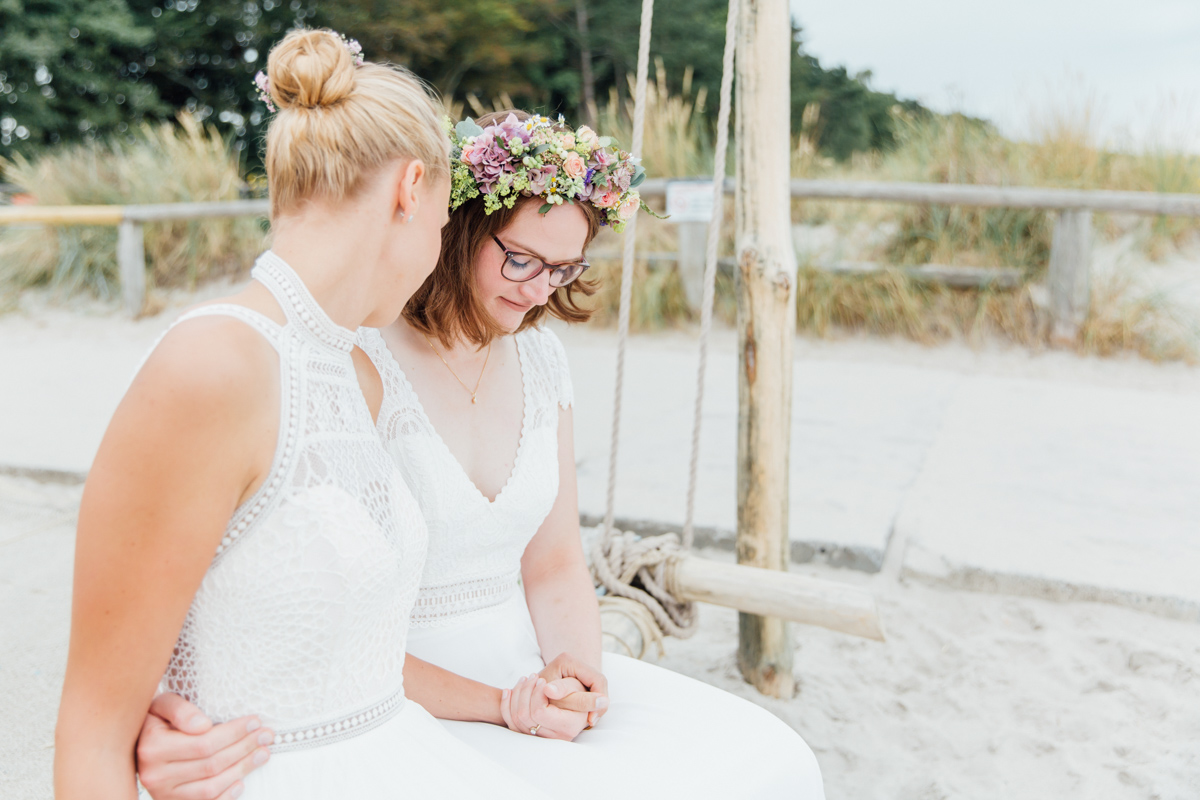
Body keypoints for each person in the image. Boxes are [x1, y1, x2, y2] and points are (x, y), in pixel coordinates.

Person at [136, 110, 825, 798]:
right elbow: (322, 619)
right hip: (396, 676)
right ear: (459, 227)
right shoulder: (361, 356)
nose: (536, 290)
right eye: (519, 258)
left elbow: (555, 565)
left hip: (521, 655)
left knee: (771, 758)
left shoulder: (544, 359)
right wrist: (503, 705)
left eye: (562, 268)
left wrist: (574, 677)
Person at [54, 31, 549, 800]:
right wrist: (141, 741)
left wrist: (505, 705)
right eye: (446, 223)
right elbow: (89, 732)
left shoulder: (361, 371)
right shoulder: (214, 365)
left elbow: (363, 659)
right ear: (411, 190)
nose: (438, 249)